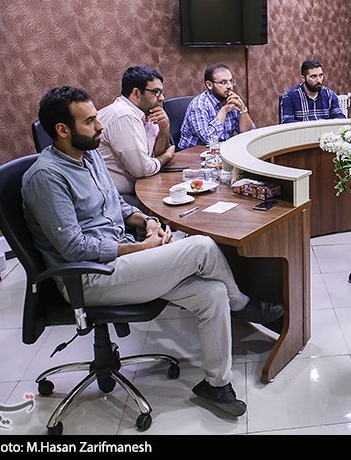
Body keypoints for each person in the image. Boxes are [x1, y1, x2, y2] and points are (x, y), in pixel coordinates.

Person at [22, 86, 284, 418]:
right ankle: (242, 304)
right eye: (89, 122)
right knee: (202, 245)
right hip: (89, 277)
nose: (100, 127)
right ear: (62, 130)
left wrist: (146, 221)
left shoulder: (88, 155)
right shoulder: (46, 177)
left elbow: (116, 205)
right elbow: (74, 248)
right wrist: (139, 248)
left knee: (212, 293)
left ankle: (216, 384)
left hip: (123, 261)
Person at [97, 66, 175, 205]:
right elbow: (142, 170)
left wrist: (164, 128)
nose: (161, 98)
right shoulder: (123, 115)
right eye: (156, 92)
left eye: (161, 92)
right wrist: (167, 157)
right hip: (113, 198)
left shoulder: (146, 112)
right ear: (136, 93)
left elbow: (155, 155)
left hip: (142, 186)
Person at [177, 63, 255, 150]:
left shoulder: (231, 100)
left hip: (219, 151)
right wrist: (223, 111)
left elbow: (248, 133)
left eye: (231, 81)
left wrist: (243, 110)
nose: (230, 86)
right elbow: (209, 139)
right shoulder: (199, 105)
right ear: (209, 85)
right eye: (224, 82)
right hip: (192, 154)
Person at [279, 59, 346, 123]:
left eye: (320, 75)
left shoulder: (329, 95)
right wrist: (311, 126)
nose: (318, 80)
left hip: (324, 130)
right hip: (303, 131)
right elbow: (287, 122)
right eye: (313, 76)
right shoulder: (290, 97)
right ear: (303, 78)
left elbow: (340, 117)